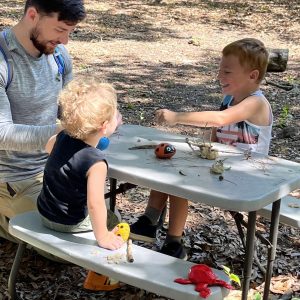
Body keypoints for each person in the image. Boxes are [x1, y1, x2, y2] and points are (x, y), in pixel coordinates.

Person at [130, 38, 272, 260]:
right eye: (219, 70)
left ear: (252, 76)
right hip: (225, 169)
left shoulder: (256, 103)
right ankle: (150, 221)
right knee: (171, 166)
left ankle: (173, 242)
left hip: (247, 178)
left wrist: (178, 117)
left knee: (180, 179)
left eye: (226, 72)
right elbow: (217, 135)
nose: (219, 77)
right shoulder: (229, 98)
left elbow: (220, 119)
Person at [0, 0, 86, 242]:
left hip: (55, 167)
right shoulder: (3, 60)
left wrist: (97, 114)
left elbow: (71, 111)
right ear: (32, 15)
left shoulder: (58, 54)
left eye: (70, 32)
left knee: (106, 223)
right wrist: (64, 132)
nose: (65, 41)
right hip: (14, 178)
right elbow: (2, 134)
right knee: (71, 245)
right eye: (60, 30)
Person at [37, 79, 125, 290]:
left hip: (45, 212)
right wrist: (102, 235)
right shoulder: (95, 162)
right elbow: (95, 204)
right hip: (69, 222)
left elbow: (49, 148)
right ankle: (100, 276)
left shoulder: (60, 137)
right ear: (104, 126)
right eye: (116, 114)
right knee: (116, 219)